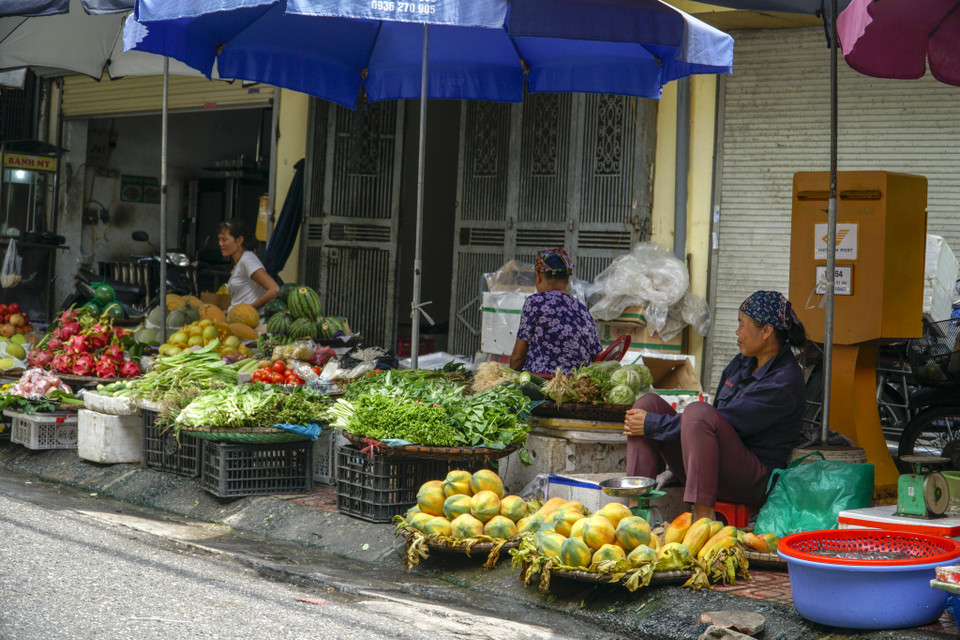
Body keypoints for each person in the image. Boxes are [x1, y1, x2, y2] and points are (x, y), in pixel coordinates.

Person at [623, 290, 806, 521]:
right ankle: (634, 515)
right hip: (713, 464)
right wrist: (652, 422)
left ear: (767, 331)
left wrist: (654, 425)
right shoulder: (743, 361)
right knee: (646, 405)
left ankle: (702, 521)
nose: (737, 333)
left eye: (742, 325)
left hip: (754, 479)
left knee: (697, 413)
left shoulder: (785, 380)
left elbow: (723, 419)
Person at [509, 248, 601, 374]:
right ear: (568, 278)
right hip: (576, 386)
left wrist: (510, 378)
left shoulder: (535, 302)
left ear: (538, 276)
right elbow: (597, 355)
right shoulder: (582, 310)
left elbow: (518, 357)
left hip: (541, 385)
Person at [218, 219, 279, 310]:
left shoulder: (247, 260)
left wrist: (248, 310)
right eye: (219, 239)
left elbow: (274, 290)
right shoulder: (240, 262)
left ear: (239, 240)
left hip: (249, 322)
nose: (220, 243)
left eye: (224, 240)